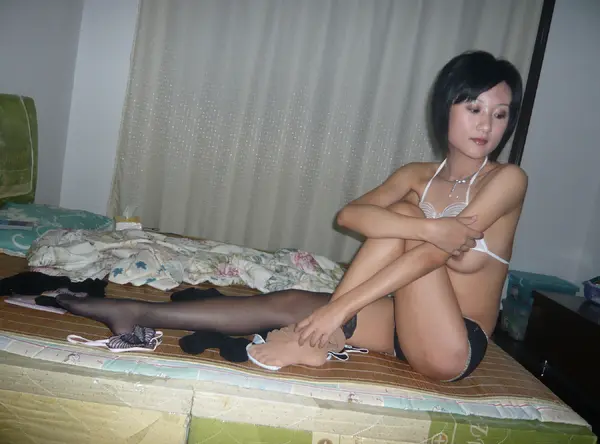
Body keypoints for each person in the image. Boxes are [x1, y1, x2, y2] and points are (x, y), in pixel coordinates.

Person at [56, 50, 527, 382]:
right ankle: (138, 311)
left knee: (393, 228)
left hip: (453, 343)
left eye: (500, 114)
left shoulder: (507, 180)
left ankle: (329, 329)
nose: (486, 125)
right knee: (292, 302)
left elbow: (430, 256)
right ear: (447, 108)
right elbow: (351, 216)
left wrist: (340, 308)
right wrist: (425, 225)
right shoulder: (416, 175)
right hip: (404, 322)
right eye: (474, 108)